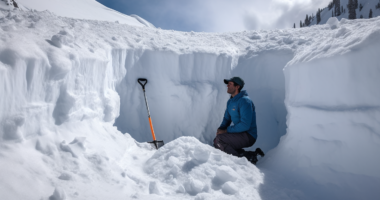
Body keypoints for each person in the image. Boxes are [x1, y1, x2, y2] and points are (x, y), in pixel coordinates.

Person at [213, 77, 264, 164]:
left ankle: (239, 163)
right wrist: (220, 129)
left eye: (230, 84)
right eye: (227, 84)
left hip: (249, 135)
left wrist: (225, 131)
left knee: (220, 140)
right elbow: (227, 119)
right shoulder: (231, 102)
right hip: (240, 133)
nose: (227, 86)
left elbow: (245, 125)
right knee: (216, 141)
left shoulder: (245, 101)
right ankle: (251, 155)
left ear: (237, 87)